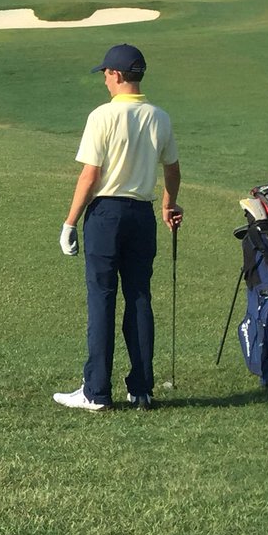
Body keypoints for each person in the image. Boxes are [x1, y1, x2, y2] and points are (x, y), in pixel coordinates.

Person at [54, 44, 182, 411]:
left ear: (119, 75)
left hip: (107, 215)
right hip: (142, 215)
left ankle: (95, 391)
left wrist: (70, 221)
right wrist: (168, 204)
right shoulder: (160, 117)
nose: (105, 80)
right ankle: (141, 388)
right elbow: (171, 169)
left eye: (107, 74)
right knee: (139, 297)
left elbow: (90, 175)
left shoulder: (102, 117)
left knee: (102, 299)